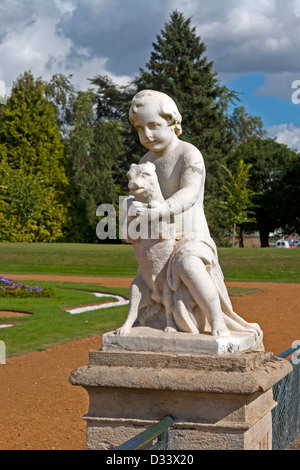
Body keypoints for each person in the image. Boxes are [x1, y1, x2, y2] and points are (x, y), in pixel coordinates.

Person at [125, 89, 262, 339]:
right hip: (160, 240)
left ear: (173, 122)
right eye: (140, 129)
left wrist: (163, 209)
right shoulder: (146, 160)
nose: (147, 134)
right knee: (146, 276)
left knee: (188, 264)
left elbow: (189, 192)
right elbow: (137, 196)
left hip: (192, 238)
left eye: (154, 125)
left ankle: (217, 320)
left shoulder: (189, 154)